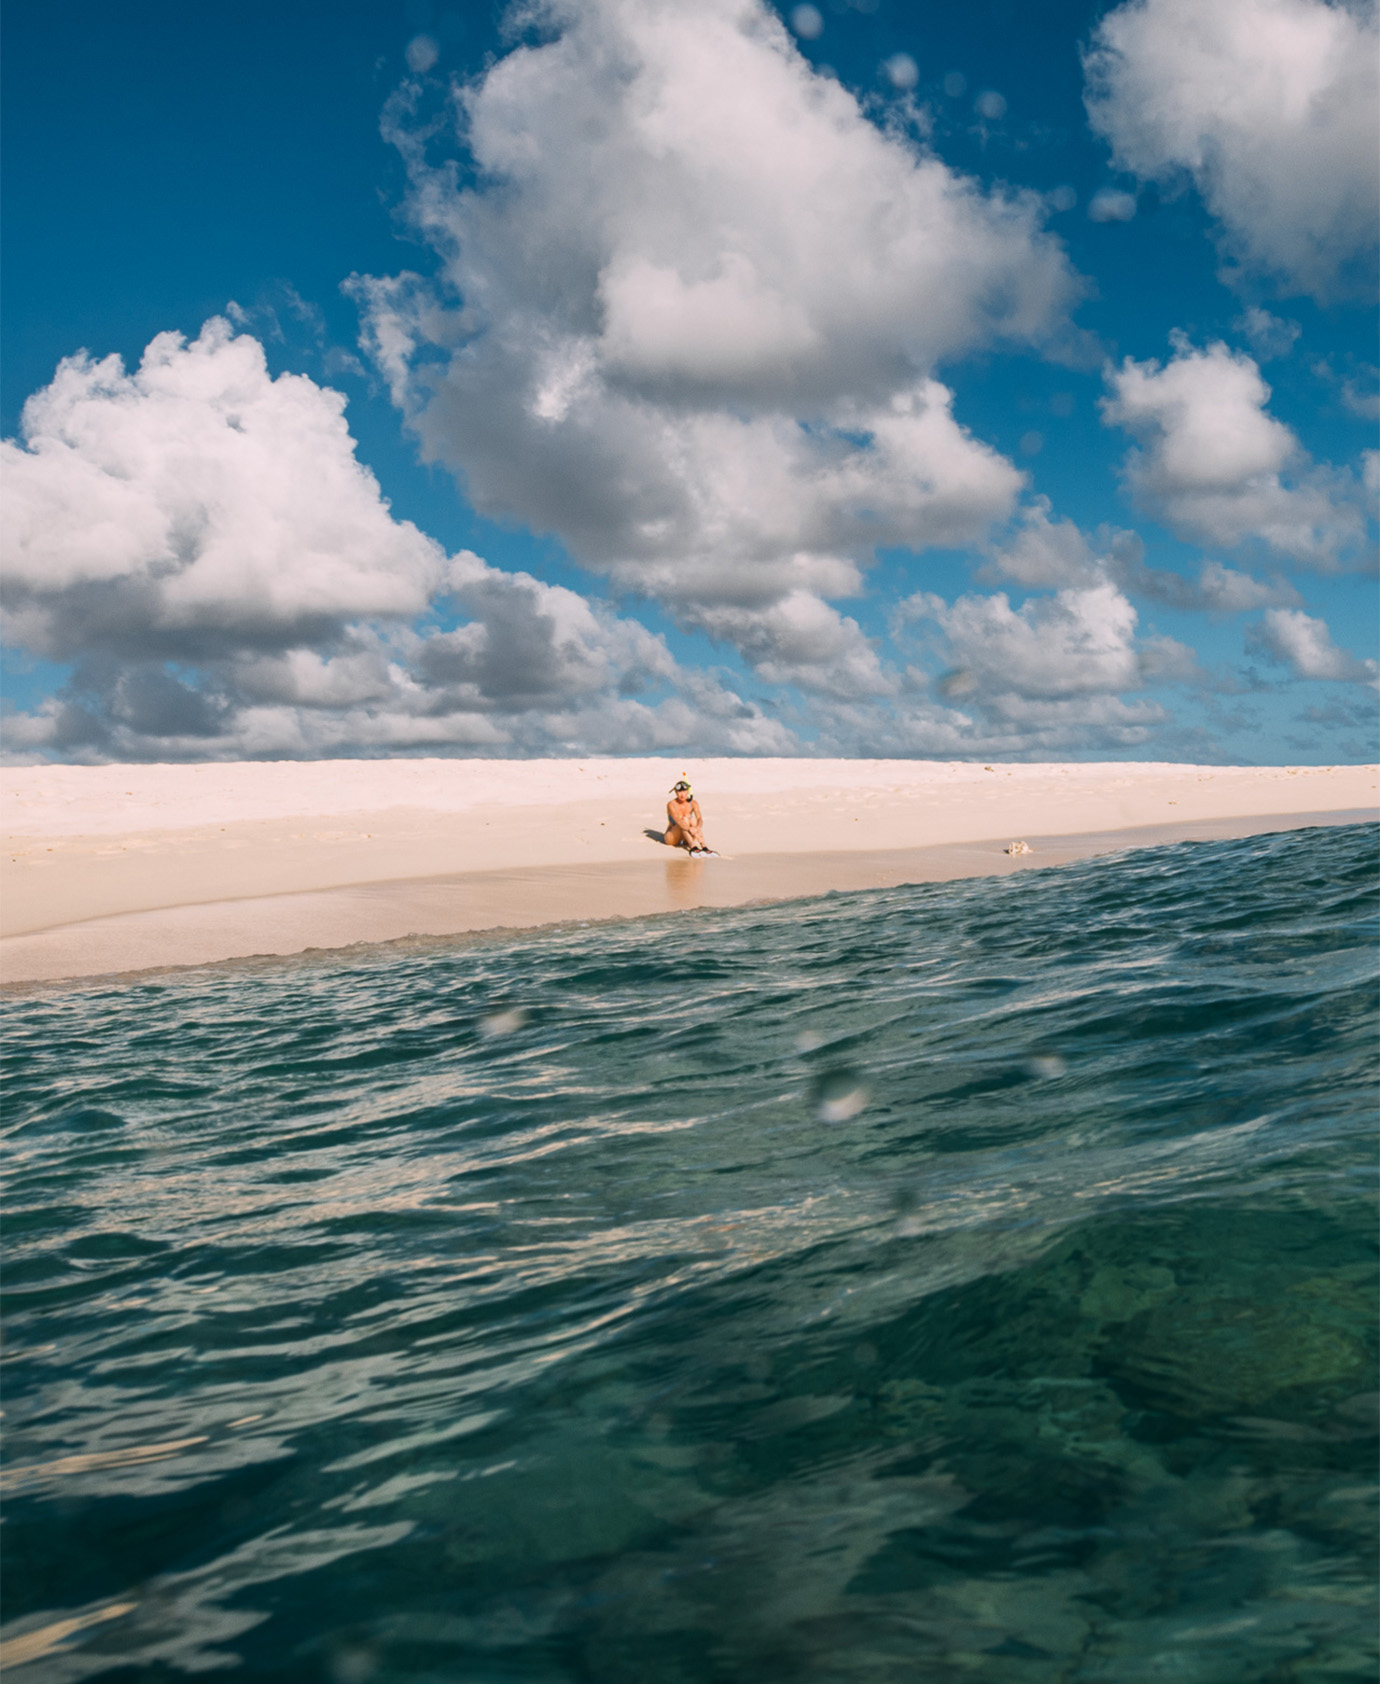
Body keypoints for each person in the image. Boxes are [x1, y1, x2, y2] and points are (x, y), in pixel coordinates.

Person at [665, 778, 713, 855]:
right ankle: (692, 845)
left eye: (684, 791)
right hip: (672, 838)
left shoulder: (693, 803)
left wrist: (697, 828)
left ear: (688, 791)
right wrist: (690, 829)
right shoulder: (671, 804)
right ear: (675, 792)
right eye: (679, 791)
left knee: (693, 820)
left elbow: (699, 818)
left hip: (686, 837)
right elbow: (678, 821)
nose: (682, 794)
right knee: (684, 820)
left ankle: (703, 845)